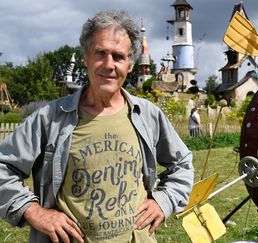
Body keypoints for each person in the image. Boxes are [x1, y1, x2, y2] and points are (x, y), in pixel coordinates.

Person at [0, 10, 194, 243]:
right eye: (100, 53)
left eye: (118, 56)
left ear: (130, 65)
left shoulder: (147, 115)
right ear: (86, 58)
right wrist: (33, 211)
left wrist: (165, 200)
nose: (109, 64)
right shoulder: (50, 118)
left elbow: (182, 163)